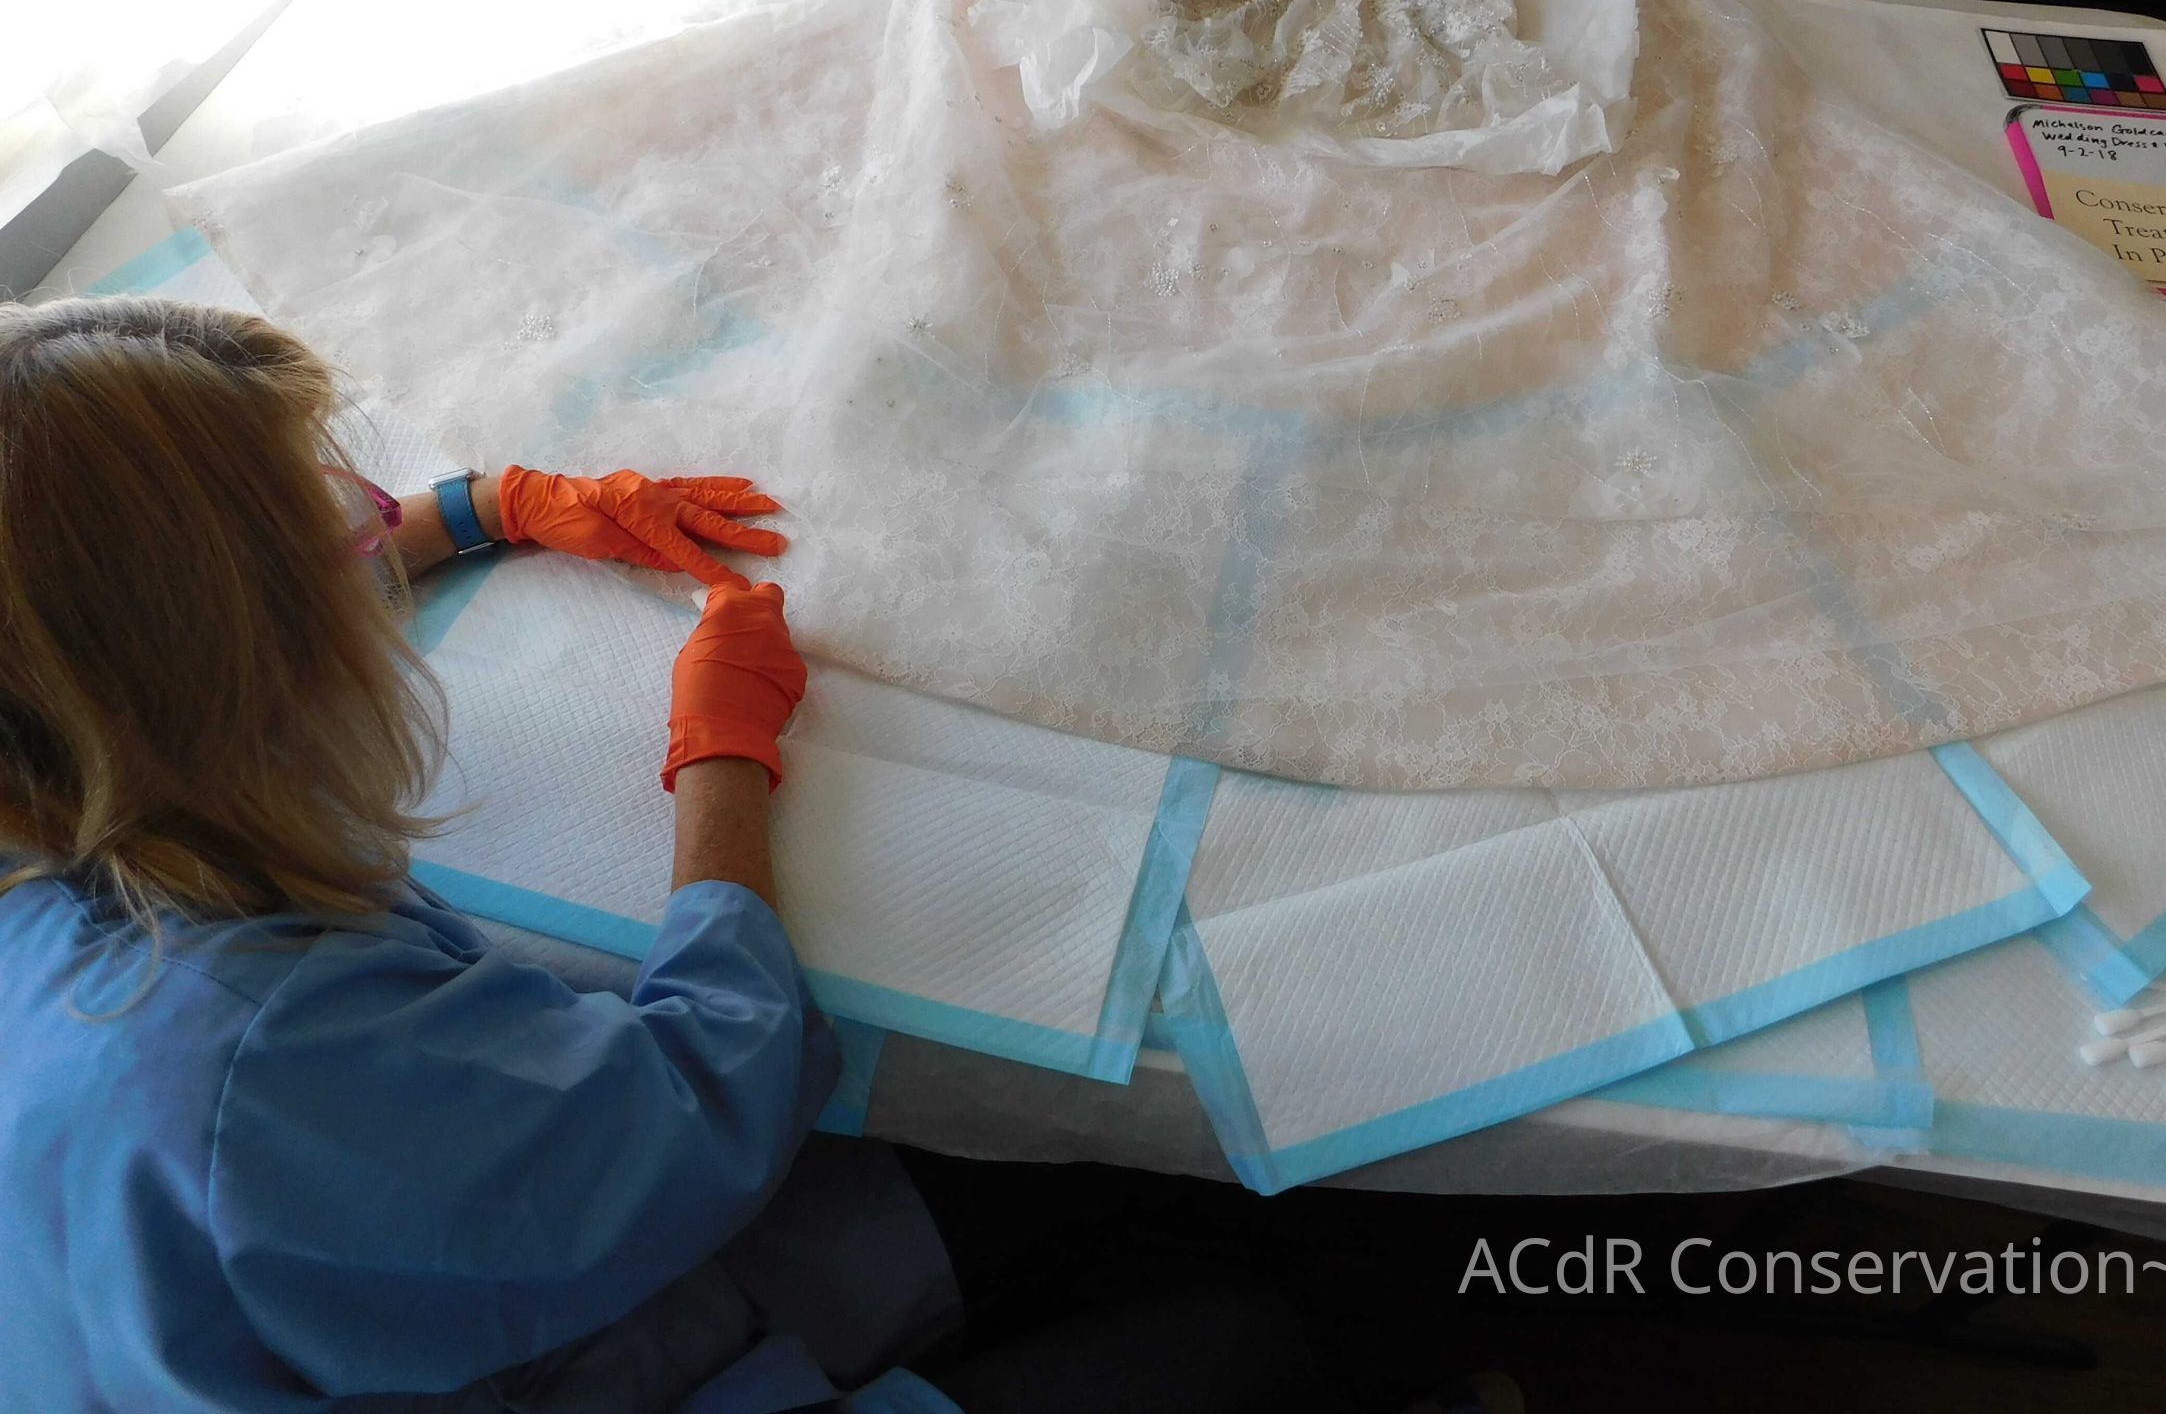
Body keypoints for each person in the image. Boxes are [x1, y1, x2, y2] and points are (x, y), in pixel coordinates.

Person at [0, 296, 1318, 1413]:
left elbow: (173, 637)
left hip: (440, 1283)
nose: (365, 539)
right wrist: (722, 756)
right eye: (332, 529)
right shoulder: (270, 1062)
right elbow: (710, 1088)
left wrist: (481, 506)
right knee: (1250, 1326)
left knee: (1045, 1211)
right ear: (221, 646)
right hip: (586, 1338)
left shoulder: (52, 794)